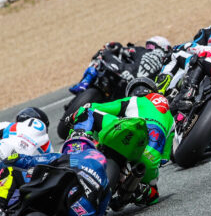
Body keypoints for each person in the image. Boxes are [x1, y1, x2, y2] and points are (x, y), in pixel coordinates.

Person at [71, 77, 174, 207]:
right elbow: (164, 159)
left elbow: (95, 106)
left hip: (130, 134)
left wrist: (74, 116)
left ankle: (76, 146)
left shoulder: (135, 100)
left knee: (87, 112)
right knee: (153, 192)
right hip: (150, 161)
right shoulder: (171, 119)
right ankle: (139, 190)